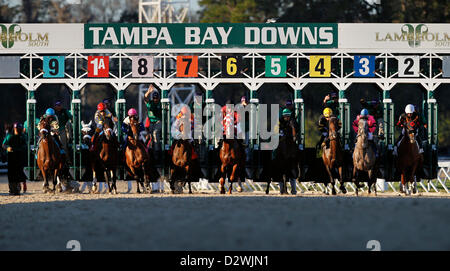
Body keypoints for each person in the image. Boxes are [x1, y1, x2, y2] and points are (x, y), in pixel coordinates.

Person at [2, 122, 27, 195]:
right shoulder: (9, 135)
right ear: (14, 128)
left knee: (18, 172)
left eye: (19, 129)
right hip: (11, 156)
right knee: (12, 173)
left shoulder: (22, 136)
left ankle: (17, 188)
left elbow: (25, 145)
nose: (17, 130)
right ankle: (11, 189)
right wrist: (7, 148)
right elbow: (4, 144)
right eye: (16, 128)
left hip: (19, 156)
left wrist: (21, 149)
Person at [144, 85, 162, 155]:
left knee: (155, 133)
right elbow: (145, 98)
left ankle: (157, 151)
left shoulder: (160, 103)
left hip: (158, 121)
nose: (155, 99)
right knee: (149, 136)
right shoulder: (150, 103)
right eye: (154, 98)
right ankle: (147, 149)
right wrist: (148, 92)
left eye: (156, 98)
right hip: (151, 122)